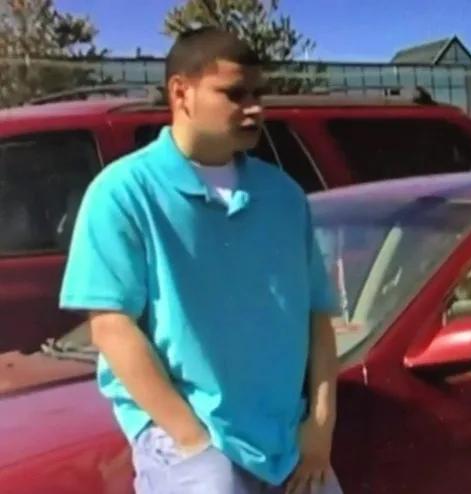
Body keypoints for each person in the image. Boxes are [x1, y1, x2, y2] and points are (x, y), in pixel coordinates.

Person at [59, 27, 342, 494]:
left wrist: (320, 427)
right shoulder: (124, 192)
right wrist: (191, 439)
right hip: (191, 447)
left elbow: (317, 317)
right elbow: (111, 326)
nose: (254, 108)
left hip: (288, 445)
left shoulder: (283, 196)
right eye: (234, 94)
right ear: (180, 93)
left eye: (258, 94)